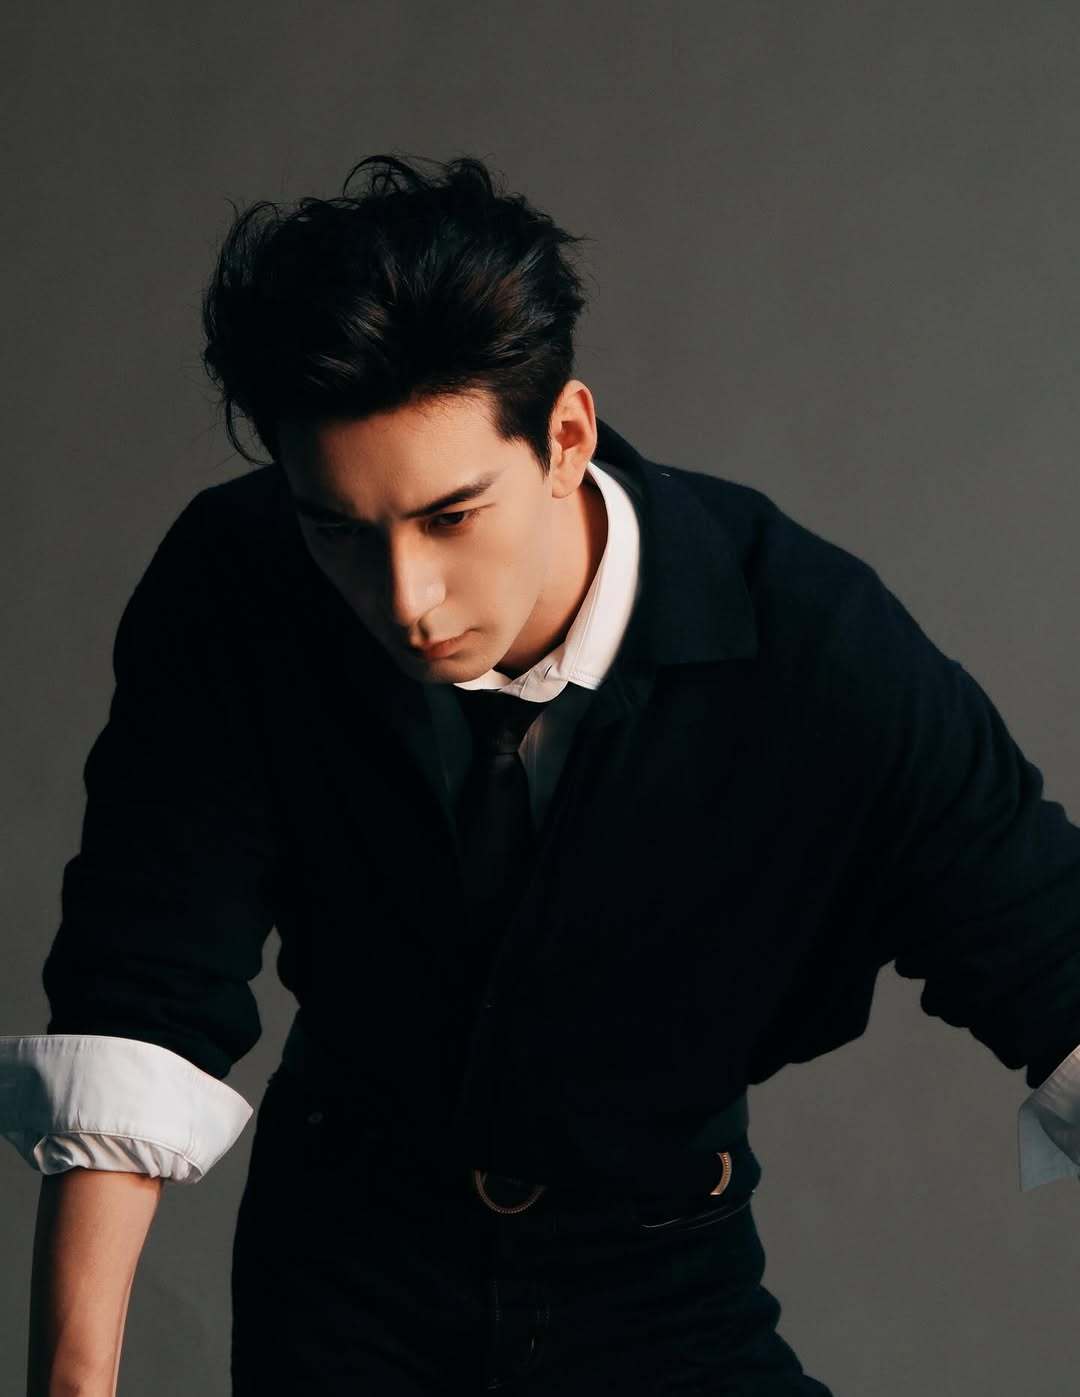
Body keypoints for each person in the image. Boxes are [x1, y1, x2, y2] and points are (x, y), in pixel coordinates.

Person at [3, 151, 1080, 1396]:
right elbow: (144, 986)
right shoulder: (238, 583)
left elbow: (1047, 952)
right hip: (346, 1277)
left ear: (567, 435)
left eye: (450, 515)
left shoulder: (811, 640)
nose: (405, 599)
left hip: (663, 1276)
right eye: (338, 530)